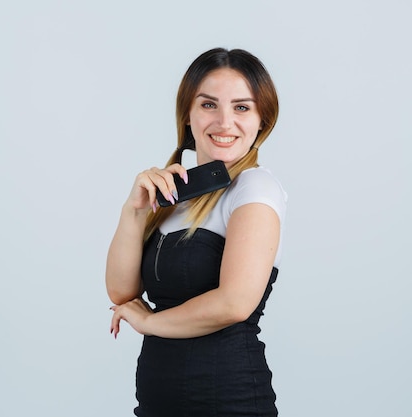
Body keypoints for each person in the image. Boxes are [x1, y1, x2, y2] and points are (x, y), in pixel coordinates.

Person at [105, 47, 287, 417]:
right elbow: (122, 292)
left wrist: (150, 322)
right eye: (208, 105)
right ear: (187, 115)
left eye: (241, 107)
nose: (224, 122)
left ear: (261, 121)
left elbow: (234, 303)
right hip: (158, 399)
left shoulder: (255, 188)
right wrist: (134, 210)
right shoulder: (175, 194)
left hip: (228, 400)